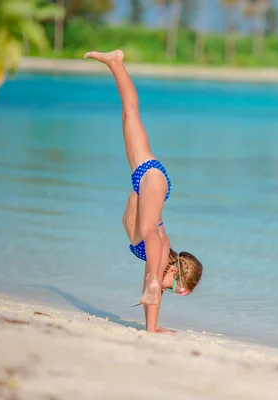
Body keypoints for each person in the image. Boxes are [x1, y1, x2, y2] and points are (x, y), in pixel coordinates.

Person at [84, 49, 203, 334]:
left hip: (144, 176)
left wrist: (151, 329)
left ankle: (116, 64)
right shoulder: (160, 250)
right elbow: (151, 238)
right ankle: (116, 62)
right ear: (174, 271)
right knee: (151, 229)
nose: (168, 292)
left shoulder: (158, 259)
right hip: (150, 176)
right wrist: (152, 280)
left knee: (129, 114)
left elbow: (153, 297)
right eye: (177, 289)